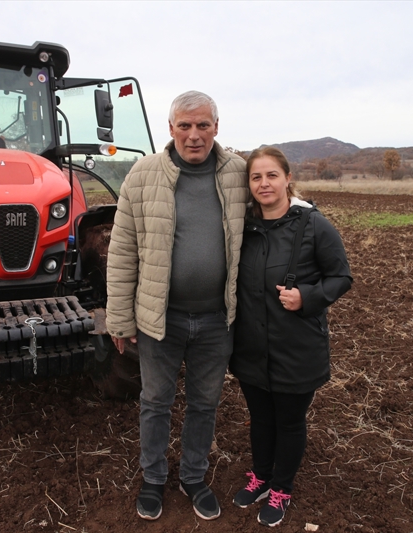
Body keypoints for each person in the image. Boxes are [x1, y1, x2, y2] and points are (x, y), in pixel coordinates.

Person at [106, 90, 248, 521]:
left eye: (203, 125)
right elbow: (123, 248)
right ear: (170, 129)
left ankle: (192, 477)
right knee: (155, 402)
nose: (193, 135)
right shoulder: (144, 174)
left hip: (215, 320)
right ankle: (152, 479)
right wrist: (119, 317)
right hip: (159, 319)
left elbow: (278, 205)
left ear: (216, 128)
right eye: (184, 126)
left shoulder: (239, 173)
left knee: (205, 404)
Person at [229, 146, 352, 527]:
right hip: (250, 346)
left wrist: (308, 297)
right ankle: (261, 476)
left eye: (271, 175)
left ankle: (282, 486)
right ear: (249, 185)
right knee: (260, 418)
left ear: (287, 179)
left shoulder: (312, 224)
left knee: (289, 420)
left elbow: (341, 276)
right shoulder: (243, 228)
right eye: (256, 177)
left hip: (296, 346)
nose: (264, 183)